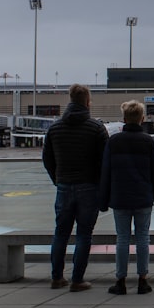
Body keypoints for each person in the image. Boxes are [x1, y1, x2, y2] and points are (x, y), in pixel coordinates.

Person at [42, 83, 109, 292]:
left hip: (64, 186)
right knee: (83, 235)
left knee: (60, 234)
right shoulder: (96, 128)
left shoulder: (54, 128)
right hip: (89, 186)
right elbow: (105, 161)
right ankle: (77, 279)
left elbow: (47, 159)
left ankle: (56, 277)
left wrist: (57, 178)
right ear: (88, 102)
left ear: (70, 100)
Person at [99, 99, 154, 295]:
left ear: (124, 119)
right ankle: (143, 280)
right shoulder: (148, 142)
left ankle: (120, 280)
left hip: (120, 198)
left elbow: (106, 173)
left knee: (122, 239)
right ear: (142, 119)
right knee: (143, 239)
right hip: (143, 197)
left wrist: (103, 200)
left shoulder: (113, 142)